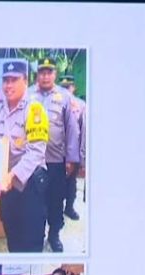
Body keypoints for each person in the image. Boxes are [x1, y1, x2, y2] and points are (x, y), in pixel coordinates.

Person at [0, 61, 49, 252]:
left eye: (14, 80)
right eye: (6, 80)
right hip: (7, 188)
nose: (9, 85)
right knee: (12, 238)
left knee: (30, 243)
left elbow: (36, 151)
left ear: (26, 81)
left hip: (29, 186)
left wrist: (12, 175)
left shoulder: (35, 110)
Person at [28, 58, 80, 251]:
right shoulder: (28, 95)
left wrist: (71, 159)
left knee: (56, 201)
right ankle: (36, 236)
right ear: (37, 75)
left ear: (55, 74)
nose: (45, 76)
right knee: (34, 203)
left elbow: (72, 129)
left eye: (49, 72)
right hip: (32, 161)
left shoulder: (64, 97)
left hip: (56, 161)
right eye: (42, 72)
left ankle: (54, 235)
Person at [59, 74, 86, 220]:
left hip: (73, 152)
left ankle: (69, 208)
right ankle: (56, 210)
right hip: (56, 153)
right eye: (62, 87)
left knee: (71, 184)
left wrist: (82, 158)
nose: (65, 90)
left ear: (73, 88)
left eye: (67, 87)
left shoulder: (81, 106)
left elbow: (83, 131)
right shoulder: (53, 104)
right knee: (55, 185)